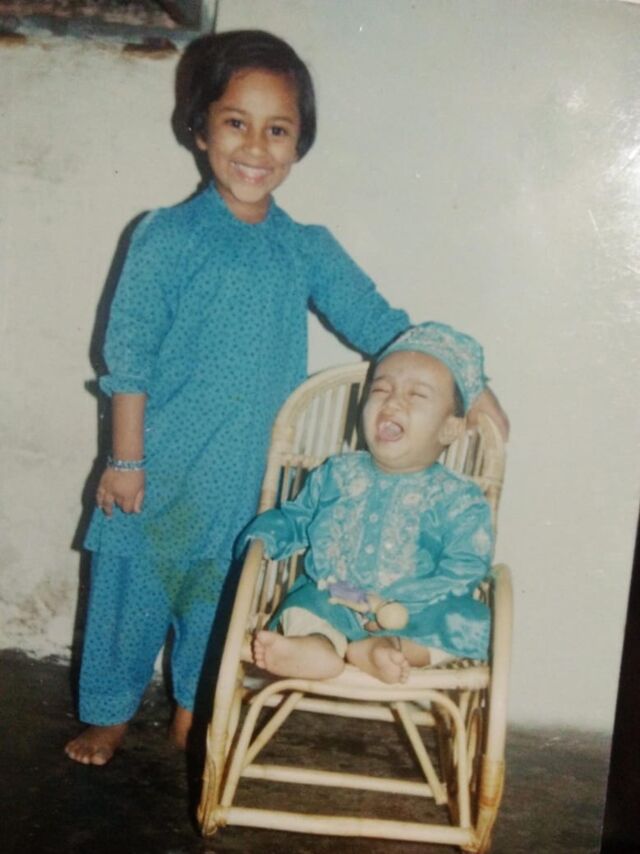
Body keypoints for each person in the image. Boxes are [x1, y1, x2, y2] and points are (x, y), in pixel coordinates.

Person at [65, 30, 506, 765]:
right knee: (130, 592)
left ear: (299, 144)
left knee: (223, 598)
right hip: (161, 465)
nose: (255, 147)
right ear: (200, 129)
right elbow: (129, 358)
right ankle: (109, 713)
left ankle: (194, 708)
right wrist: (126, 459)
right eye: (236, 122)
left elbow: (382, 324)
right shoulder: (166, 236)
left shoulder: (305, 247)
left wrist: (477, 385)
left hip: (249, 477)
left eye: (278, 130)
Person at [243, 322, 495, 685]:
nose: (392, 402)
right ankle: (316, 648)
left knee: (468, 621)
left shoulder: (459, 499)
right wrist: (267, 536)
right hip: (336, 595)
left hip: (414, 612)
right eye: (380, 389)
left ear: (450, 428)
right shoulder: (337, 473)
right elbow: (298, 518)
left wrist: (404, 603)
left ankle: (386, 649)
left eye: (416, 395)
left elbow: (466, 565)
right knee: (303, 604)